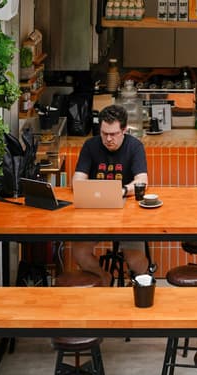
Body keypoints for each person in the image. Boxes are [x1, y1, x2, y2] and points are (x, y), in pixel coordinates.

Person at [71, 104, 149, 285]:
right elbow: (77, 180)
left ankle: (137, 285)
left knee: (135, 259)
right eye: (104, 133)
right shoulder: (90, 146)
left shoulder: (134, 146)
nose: (108, 139)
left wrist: (122, 191)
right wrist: (86, 189)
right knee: (79, 252)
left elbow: (142, 181)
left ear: (124, 130)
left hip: (128, 216)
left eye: (113, 134)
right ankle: (104, 278)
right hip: (95, 213)